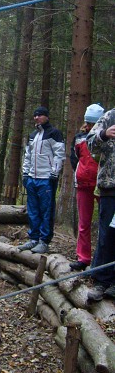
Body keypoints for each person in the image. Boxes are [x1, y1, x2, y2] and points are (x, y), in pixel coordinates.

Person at [18, 106, 66, 254]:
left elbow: (60, 154)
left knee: (46, 210)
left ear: (46, 116)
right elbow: (28, 156)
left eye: (40, 115)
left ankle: (44, 241)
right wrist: (25, 174)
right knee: (33, 210)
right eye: (35, 115)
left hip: (46, 178)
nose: (37, 118)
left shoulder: (54, 133)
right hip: (32, 178)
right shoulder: (33, 135)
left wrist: (54, 173)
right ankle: (33, 238)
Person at [69, 104, 105, 271]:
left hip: (103, 185)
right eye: (89, 123)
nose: (91, 126)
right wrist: (81, 172)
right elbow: (74, 158)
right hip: (83, 184)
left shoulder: (106, 137)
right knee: (84, 223)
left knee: (106, 224)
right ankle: (83, 257)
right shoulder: (79, 138)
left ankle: (102, 260)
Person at [86, 107, 115, 302]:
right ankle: (102, 281)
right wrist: (104, 134)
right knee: (107, 235)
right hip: (110, 188)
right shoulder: (110, 116)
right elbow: (89, 143)